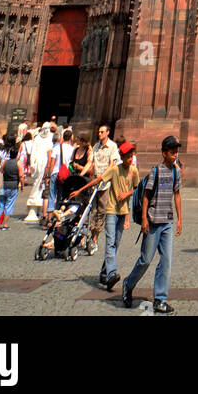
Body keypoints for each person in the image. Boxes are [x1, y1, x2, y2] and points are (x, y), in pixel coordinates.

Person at [122, 135, 183, 314]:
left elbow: (177, 194)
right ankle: (128, 283)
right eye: (172, 153)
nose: (175, 155)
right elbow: (146, 195)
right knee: (146, 260)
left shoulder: (175, 172)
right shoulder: (156, 171)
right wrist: (143, 219)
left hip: (167, 222)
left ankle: (160, 299)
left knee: (166, 261)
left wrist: (180, 219)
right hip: (153, 221)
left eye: (176, 152)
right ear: (164, 153)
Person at [98, 140, 140, 291]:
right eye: (128, 156)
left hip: (122, 212)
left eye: (132, 156)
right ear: (122, 156)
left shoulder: (134, 171)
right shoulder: (115, 170)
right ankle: (111, 274)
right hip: (111, 210)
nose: (130, 159)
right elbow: (99, 179)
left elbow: (137, 188)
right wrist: (81, 188)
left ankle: (104, 274)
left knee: (115, 244)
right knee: (110, 242)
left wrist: (127, 194)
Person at [90, 123, 119, 252]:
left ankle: (95, 238)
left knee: (101, 210)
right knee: (92, 210)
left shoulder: (112, 146)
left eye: (102, 132)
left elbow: (112, 165)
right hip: (95, 183)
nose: (99, 134)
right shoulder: (96, 146)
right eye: (99, 132)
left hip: (105, 183)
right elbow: (90, 164)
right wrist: (81, 174)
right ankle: (92, 236)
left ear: (108, 132)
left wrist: (103, 176)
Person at [0, 142, 24, 228]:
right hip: (13, 186)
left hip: (3, 185)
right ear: (16, 154)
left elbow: (0, 173)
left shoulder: (5, 162)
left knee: (0, 205)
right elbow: (21, 176)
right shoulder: (18, 163)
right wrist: (22, 186)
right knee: (9, 205)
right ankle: (5, 224)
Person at [66, 133, 92, 198]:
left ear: (82, 141)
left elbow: (89, 168)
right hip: (73, 177)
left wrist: (79, 168)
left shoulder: (88, 151)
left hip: (83, 179)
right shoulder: (75, 150)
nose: (76, 139)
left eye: (78, 138)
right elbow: (70, 162)